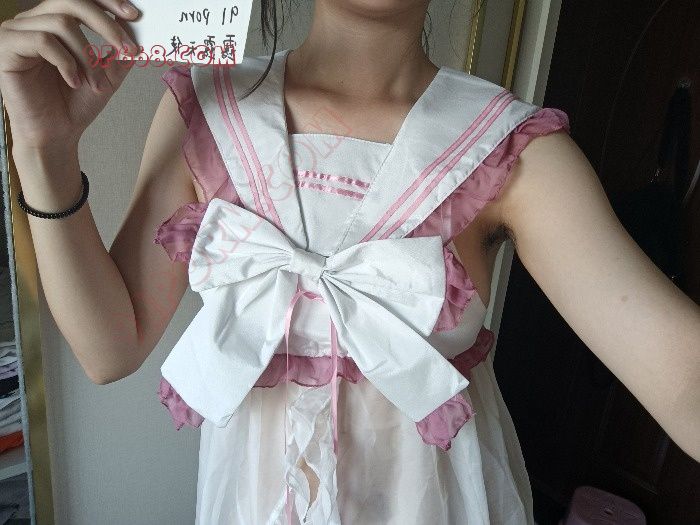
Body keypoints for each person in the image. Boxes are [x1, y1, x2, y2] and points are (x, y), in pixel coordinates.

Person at [1, 1, 698, 524]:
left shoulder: (514, 150)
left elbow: (682, 378)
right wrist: (44, 149)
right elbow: (108, 347)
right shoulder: (206, 109)